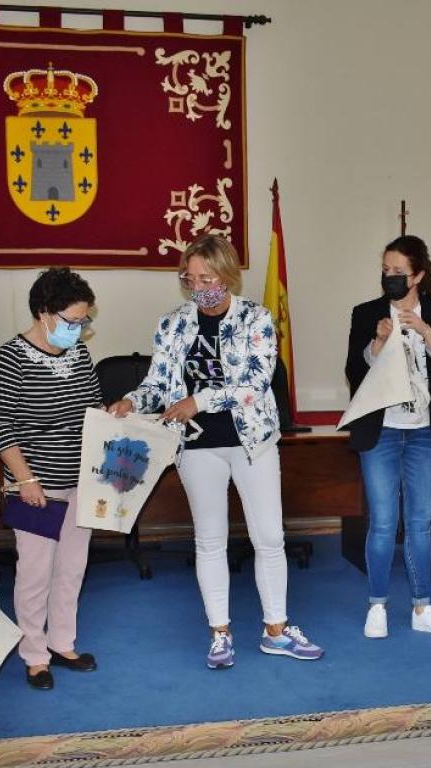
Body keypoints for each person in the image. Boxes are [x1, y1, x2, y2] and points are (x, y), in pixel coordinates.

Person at [106, 234, 323, 669]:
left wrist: (199, 401)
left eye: (207, 276)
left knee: (269, 537)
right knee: (209, 540)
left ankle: (276, 631)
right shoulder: (172, 324)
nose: (198, 285)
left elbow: (256, 383)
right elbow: (159, 385)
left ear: (227, 276)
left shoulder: (256, 320)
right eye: (190, 277)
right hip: (197, 445)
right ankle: (220, 633)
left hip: (252, 441)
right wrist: (132, 400)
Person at [0, 267, 101, 690]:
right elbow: (0, 425)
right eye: (72, 321)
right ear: (43, 313)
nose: (78, 329)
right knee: (35, 573)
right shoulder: (10, 358)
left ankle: (62, 643)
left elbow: (92, 412)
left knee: (72, 569)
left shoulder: (79, 356)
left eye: (83, 322)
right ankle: (34, 655)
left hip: (80, 482)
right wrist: (26, 480)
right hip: (34, 486)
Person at [344, 235, 431, 640]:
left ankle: (421, 607)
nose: (389, 278)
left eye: (398, 272)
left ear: (418, 276)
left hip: (424, 432)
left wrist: (427, 332)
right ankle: (377, 606)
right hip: (381, 431)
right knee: (382, 522)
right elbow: (354, 372)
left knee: (420, 523)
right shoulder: (366, 313)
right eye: (385, 270)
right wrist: (377, 342)